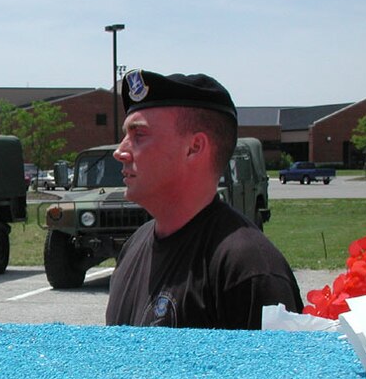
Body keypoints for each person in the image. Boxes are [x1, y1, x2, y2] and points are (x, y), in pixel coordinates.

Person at [105, 69, 303, 329]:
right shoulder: (135, 246)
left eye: (138, 135)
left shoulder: (247, 267)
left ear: (194, 148)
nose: (120, 151)